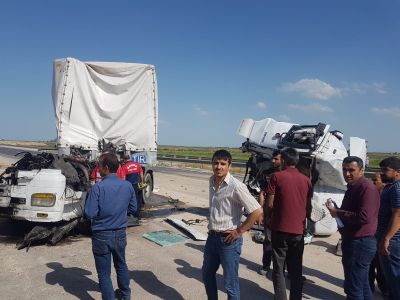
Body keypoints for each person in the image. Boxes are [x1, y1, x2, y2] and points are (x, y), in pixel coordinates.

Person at [202, 149, 262, 300]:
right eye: (216, 163)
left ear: (230, 166)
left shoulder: (236, 186)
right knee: (207, 275)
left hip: (229, 241)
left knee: (230, 283)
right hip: (212, 238)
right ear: (212, 164)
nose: (219, 167)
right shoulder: (211, 180)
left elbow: (256, 210)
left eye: (223, 164)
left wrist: (239, 231)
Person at [326, 156, 380, 300]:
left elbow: (364, 217)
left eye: (351, 170)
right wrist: (337, 211)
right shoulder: (354, 187)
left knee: (353, 287)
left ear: (362, 170)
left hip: (360, 243)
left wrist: (338, 212)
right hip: (354, 241)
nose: (347, 173)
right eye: (344, 169)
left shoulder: (367, 188)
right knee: (361, 284)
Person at [85, 153, 137, 300]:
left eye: (99, 165)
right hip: (120, 233)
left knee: (103, 273)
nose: (98, 168)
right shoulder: (127, 186)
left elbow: (89, 213)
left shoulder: (98, 188)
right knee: (121, 264)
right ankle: (125, 295)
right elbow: (133, 208)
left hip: (102, 234)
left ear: (106, 168)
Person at [266, 147, 312, 300]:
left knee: (279, 268)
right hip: (298, 230)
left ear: (284, 160)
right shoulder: (306, 180)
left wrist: (269, 217)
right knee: (296, 269)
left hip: (280, 228)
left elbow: (270, 204)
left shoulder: (276, 176)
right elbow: (309, 208)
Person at [376, 157, 400, 299]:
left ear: (398, 171)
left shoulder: (397, 188)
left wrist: (386, 239)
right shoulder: (391, 186)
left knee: (394, 276)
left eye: (385, 170)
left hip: (393, 241)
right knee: (389, 276)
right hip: (389, 238)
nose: (382, 173)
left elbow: (397, 216)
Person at [257, 149, 282, 276]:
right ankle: (266, 265)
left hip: (283, 213)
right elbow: (262, 193)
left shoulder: (286, 174)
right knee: (268, 240)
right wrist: (260, 211)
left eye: (276, 159)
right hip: (269, 212)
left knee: (283, 243)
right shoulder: (267, 173)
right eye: (272, 158)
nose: (273, 161)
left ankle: (283, 269)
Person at [369, 172, 387, 295]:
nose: (373, 182)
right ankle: (369, 288)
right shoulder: (372, 194)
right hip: (372, 236)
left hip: (382, 236)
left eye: (376, 180)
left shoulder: (388, 196)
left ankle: (385, 289)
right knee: (370, 265)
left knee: (382, 268)